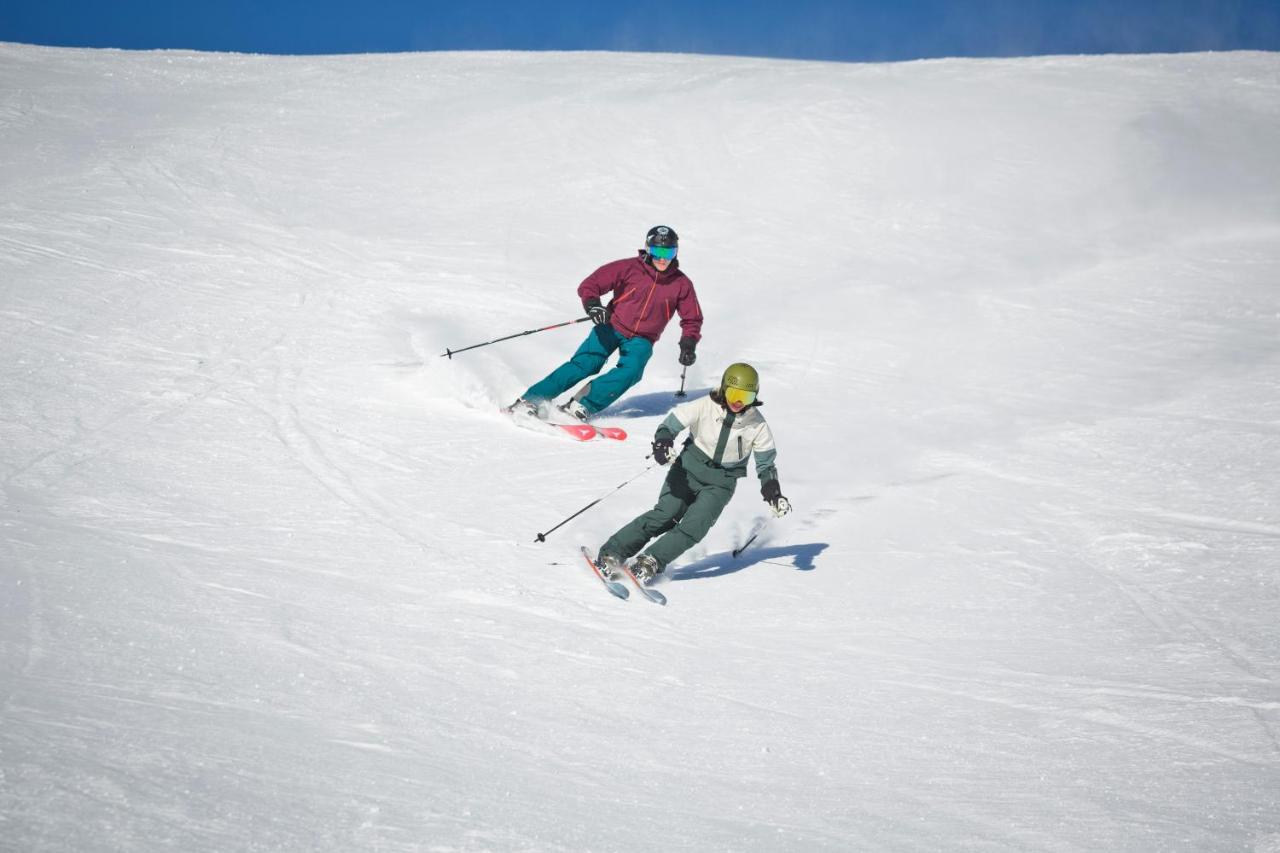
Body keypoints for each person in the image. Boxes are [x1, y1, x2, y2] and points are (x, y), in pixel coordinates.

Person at [596, 362, 792, 582]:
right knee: (665, 514)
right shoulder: (704, 406)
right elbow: (670, 425)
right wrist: (663, 443)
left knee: (694, 527)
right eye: (734, 393)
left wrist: (773, 493)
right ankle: (613, 552)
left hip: (721, 483)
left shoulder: (758, 425)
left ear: (754, 397)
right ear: (724, 388)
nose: (738, 401)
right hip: (688, 468)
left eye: (745, 397)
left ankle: (651, 560)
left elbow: (766, 465)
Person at [510, 225, 702, 421]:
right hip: (611, 325)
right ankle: (530, 400)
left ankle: (581, 405)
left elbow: (692, 318)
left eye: (669, 252)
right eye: (658, 251)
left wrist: (689, 343)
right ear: (648, 249)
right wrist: (593, 306)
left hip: (643, 339)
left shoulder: (681, 284)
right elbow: (590, 284)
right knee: (585, 364)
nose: (663, 259)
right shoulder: (629, 268)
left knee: (631, 372)